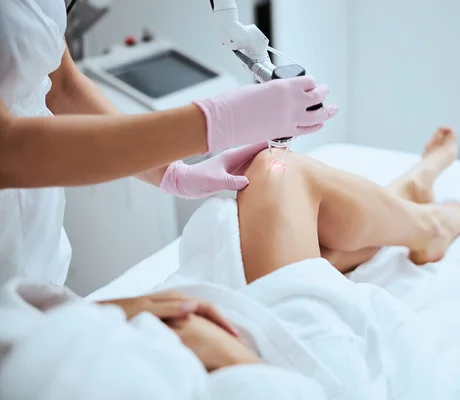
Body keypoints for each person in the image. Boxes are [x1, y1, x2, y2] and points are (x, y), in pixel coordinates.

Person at [0, 129, 460, 400]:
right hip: (266, 363)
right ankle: (426, 222)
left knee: (302, 238)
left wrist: (124, 306)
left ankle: (411, 200)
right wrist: (232, 359)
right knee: (278, 167)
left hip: (171, 320)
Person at [0, 0, 337, 318]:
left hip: (39, 270)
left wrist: (170, 172)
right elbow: (7, 149)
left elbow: (61, 86)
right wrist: (216, 122)